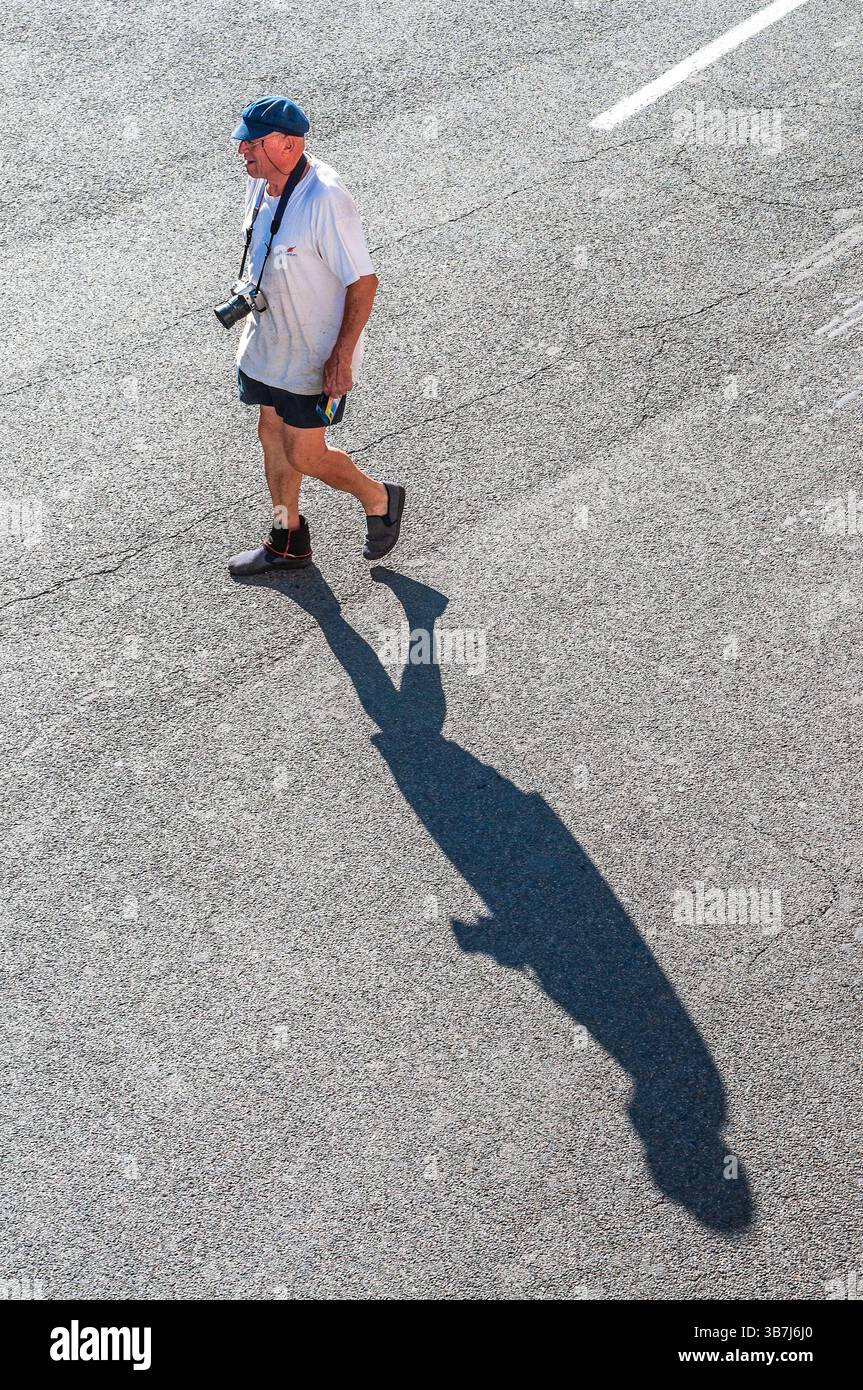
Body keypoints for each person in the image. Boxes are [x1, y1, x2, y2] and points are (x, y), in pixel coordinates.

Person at [223, 96, 405, 575]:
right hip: (269, 342)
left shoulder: (325, 198)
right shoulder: (263, 183)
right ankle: (287, 538)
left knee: (304, 453)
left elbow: (363, 282)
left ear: (289, 144)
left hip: (314, 352)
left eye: (253, 143)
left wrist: (341, 357)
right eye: (243, 142)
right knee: (270, 433)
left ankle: (379, 498)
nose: (243, 151)